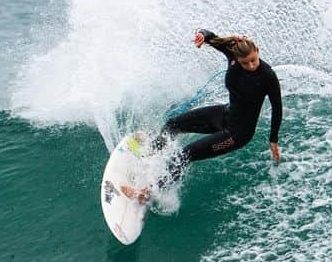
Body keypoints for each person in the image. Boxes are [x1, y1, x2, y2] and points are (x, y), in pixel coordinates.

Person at [120, 29, 282, 203]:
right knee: (173, 124)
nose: (251, 65)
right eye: (245, 63)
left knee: (186, 154)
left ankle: (147, 194)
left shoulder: (267, 76)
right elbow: (211, 37)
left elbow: (277, 107)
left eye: (253, 60)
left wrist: (273, 139)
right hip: (224, 115)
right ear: (236, 58)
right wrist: (202, 36)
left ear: (257, 51)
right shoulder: (233, 55)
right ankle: (152, 152)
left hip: (237, 134)